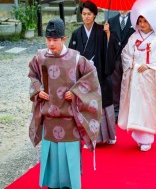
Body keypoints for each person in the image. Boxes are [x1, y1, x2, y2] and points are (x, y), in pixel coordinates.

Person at [28, 18, 102, 189]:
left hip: (69, 120)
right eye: (48, 39)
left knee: (70, 164)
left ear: (63, 39)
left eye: (55, 40)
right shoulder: (40, 58)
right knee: (52, 162)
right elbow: (32, 75)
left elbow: (92, 78)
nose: (51, 43)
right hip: (49, 118)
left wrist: (76, 91)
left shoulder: (76, 59)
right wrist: (38, 89)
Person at [118, 0, 156, 152]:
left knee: (149, 106)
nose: (142, 24)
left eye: (145, 21)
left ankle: (147, 137)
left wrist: (149, 66)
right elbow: (125, 54)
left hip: (149, 77)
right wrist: (133, 64)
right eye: (140, 21)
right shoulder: (134, 37)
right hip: (135, 77)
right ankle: (139, 135)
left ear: (151, 21)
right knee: (135, 105)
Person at [68, 1, 118, 145]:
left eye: (89, 14)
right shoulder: (77, 33)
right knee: (85, 105)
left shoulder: (102, 31)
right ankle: (89, 136)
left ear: (95, 15)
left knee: (101, 103)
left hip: (99, 75)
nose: (86, 17)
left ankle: (107, 136)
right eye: (84, 14)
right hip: (83, 76)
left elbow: (110, 52)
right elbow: (72, 55)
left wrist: (108, 35)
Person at [108, 10, 135, 122]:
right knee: (115, 84)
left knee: (129, 84)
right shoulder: (110, 21)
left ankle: (129, 110)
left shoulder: (135, 20)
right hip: (115, 57)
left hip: (129, 58)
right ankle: (116, 109)